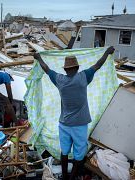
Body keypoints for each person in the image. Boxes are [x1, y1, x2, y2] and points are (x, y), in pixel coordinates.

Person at [34, 46, 115, 179]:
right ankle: (72, 178)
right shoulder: (83, 77)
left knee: (64, 152)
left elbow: (46, 69)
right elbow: (98, 65)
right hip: (80, 125)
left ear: (65, 70)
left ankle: (65, 176)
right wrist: (107, 52)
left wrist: (38, 58)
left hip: (64, 124)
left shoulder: (60, 80)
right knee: (79, 153)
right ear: (77, 68)